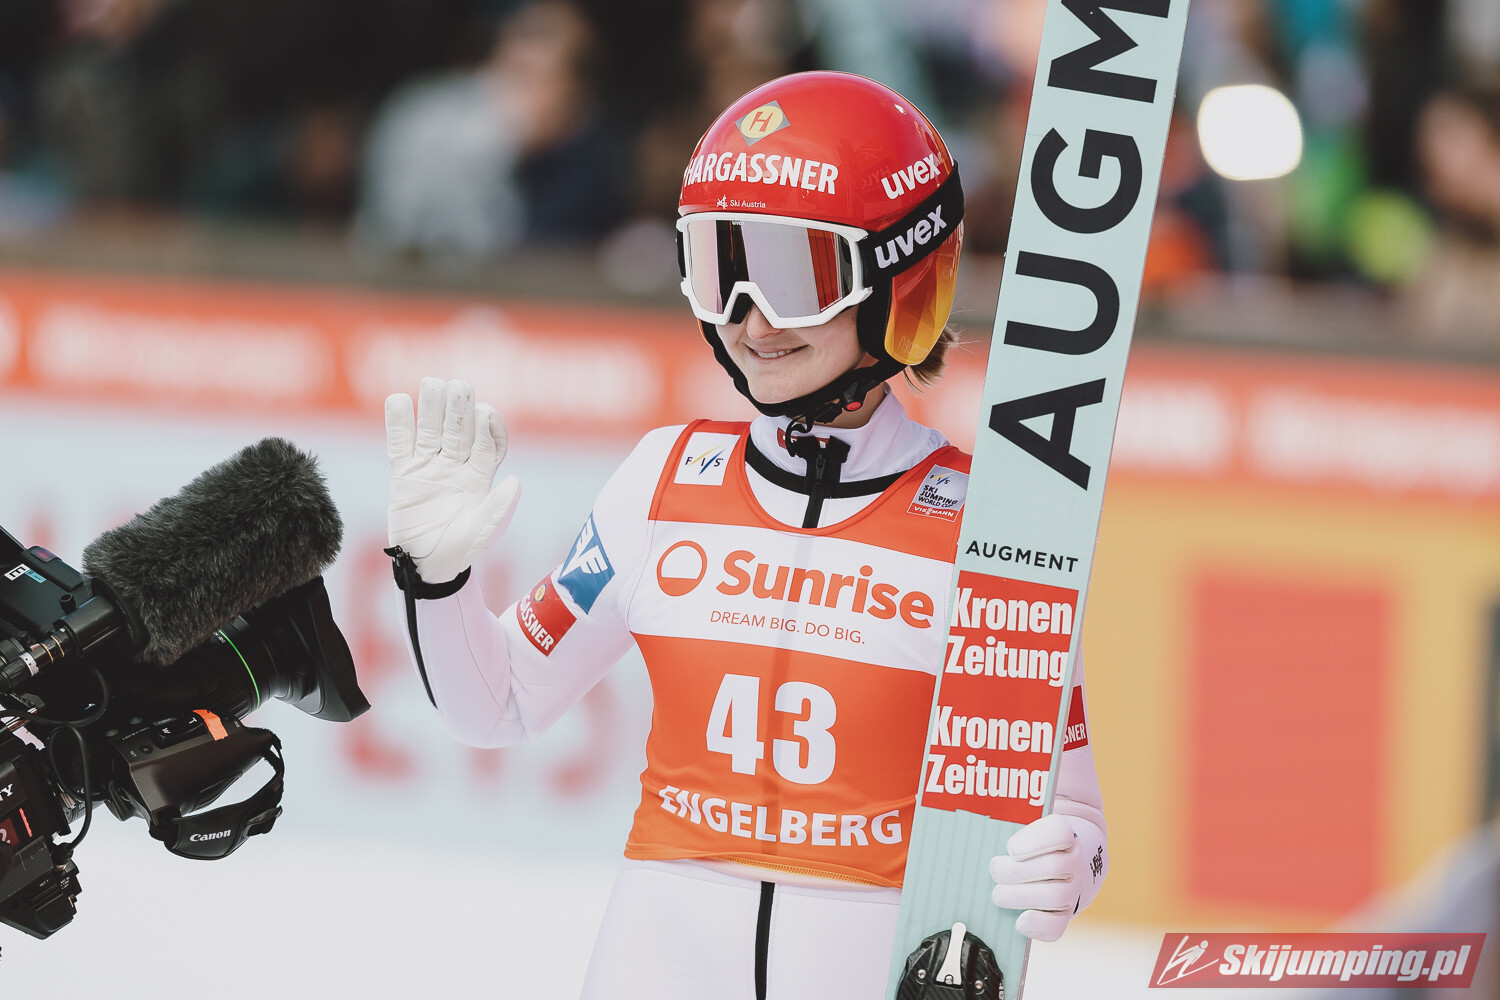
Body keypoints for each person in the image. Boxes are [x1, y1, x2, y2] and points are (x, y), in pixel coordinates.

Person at [383, 71, 1108, 1000]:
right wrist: (438, 584)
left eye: (794, 276)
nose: (749, 320)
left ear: (898, 279)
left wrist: (1069, 862)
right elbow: (499, 707)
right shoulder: (662, 480)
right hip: (655, 958)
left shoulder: (990, 526)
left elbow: (1070, 808)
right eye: (720, 268)